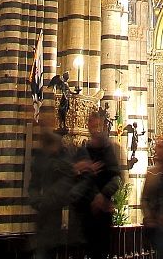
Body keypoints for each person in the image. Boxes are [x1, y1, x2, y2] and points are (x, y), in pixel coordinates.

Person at [71, 110, 123, 259]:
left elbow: (117, 178)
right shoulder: (83, 151)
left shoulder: (110, 150)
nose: (96, 129)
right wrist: (78, 169)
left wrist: (103, 196)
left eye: (98, 125)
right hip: (84, 211)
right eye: (93, 125)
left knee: (100, 251)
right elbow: (72, 178)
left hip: (102, 212)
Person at [28, 127, 75, 259]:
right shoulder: (41, 159)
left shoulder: (63, 161)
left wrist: (49, 199)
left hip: (56, 215)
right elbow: (33, 185)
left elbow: (68, 183)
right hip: (42, 216)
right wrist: (37, 201)